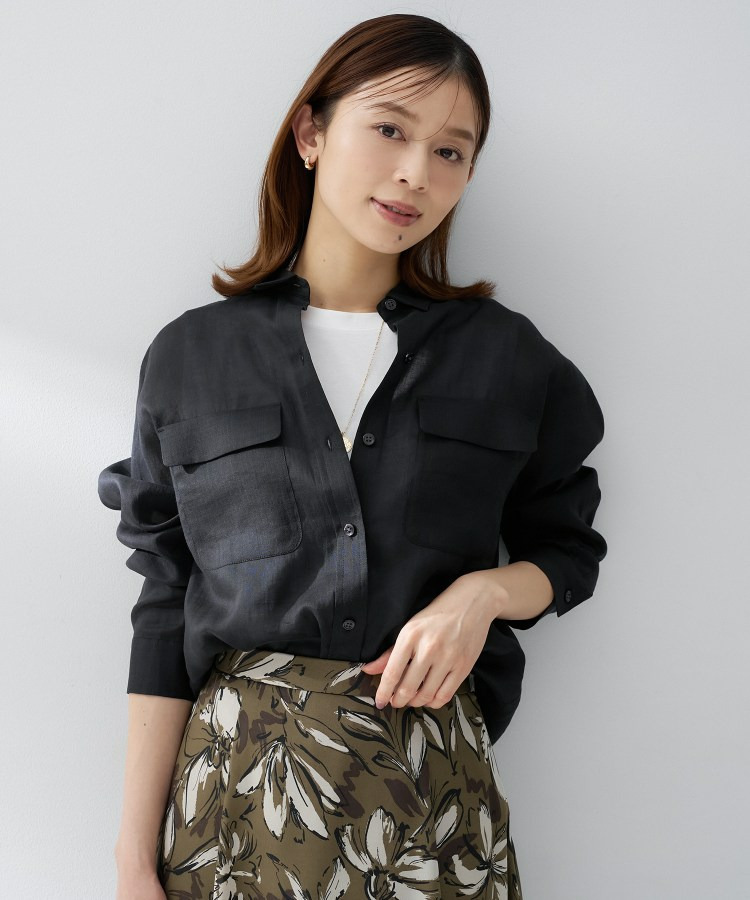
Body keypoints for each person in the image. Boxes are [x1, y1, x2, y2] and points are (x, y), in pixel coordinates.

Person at [98, 13, 607, 900]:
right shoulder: (191, 357)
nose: (416, 173)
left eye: (451, 151)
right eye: (390, 130)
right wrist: (134, 859)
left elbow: (567, 548)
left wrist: (484, 595)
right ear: (310, 132)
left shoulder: (508, 359)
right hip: (235, 809)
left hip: (428, 806)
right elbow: (165, 600)